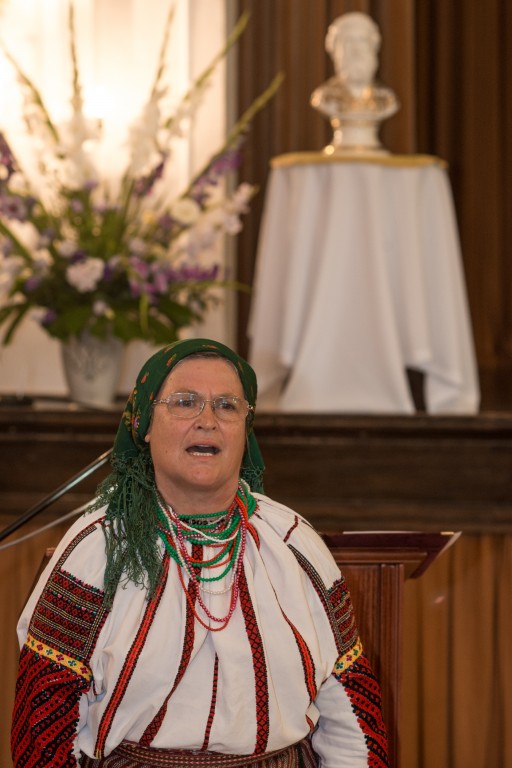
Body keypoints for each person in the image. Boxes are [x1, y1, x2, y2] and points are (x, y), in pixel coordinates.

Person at [11, 337, 389, 767]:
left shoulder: (294, 542)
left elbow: (348, 712)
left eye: (227, 406)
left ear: (245, 429)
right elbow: (44, 727)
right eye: (185, 402)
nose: (207, 421)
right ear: (144, 423)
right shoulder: (99, 548)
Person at [310, 12, 399, 153]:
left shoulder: (386, 99)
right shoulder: (325, 97)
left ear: (373, 49)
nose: (356, 51)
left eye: (362, 41)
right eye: (348, 42)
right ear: (335, 51)